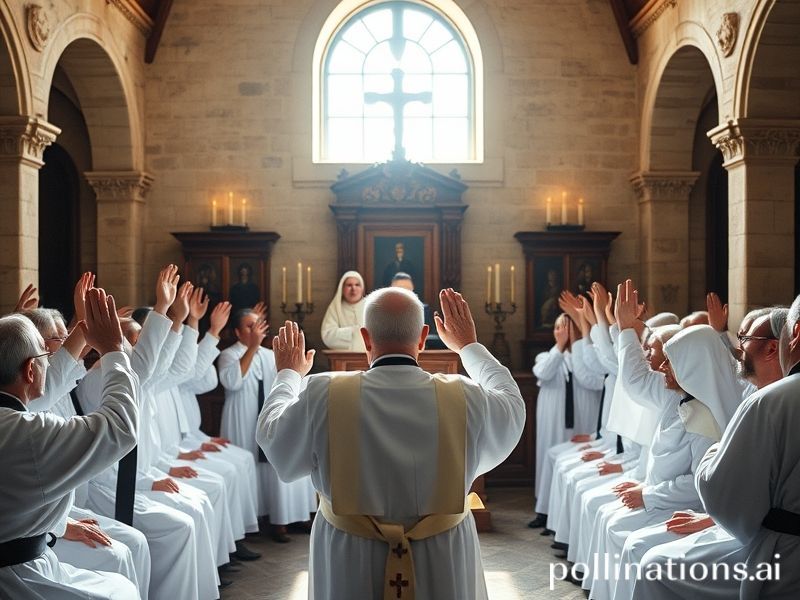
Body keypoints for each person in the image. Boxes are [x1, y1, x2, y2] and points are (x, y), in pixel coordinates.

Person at [257, 287, 525, 600]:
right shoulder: (465, 396)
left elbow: (273, 440)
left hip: (350, 554)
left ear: (365, 338)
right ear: (423, 337)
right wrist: (469, 346)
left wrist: (288, 374)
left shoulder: (322, 393)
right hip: (442, 551)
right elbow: (512, 405)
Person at [0, 288, 140, 599]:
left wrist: (60, 525)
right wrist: (114, 350)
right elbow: (119, 428)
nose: (53, 363)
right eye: (46, 356)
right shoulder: (28, 431)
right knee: (121, 591)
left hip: (25, 552)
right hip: (16, 577)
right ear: (30, 370)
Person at [693, 295, 800, 598]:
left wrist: (714, 451)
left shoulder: (773, 401)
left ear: (796, 335)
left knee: (654, 567)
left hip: (787, 557)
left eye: (744, 338)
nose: (738, 348)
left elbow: (723, 493)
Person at [218, 308, 316, 543]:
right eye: (249, 326)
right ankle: (260, 519)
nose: (255, 330)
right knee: (251, 467)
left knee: (275, 463)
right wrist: (251, 347)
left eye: (257, 325)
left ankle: (288, 517)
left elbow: (285, 379)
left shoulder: (269, 354)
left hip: (264, 412)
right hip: (241, 416)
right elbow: (232, 382)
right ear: (237, 331)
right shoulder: (229, 354)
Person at [390, 272, 445, 349]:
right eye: (402, 291)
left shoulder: (424, 310)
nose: (407, 294)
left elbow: (435, 338)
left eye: (409, 291)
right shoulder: (383, 311)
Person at [321, 271, 367, 352]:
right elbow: (327, 335)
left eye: (357, 285)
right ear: (342, 288)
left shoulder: (370, 306)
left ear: (362, 288)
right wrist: (353, 332)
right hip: (342, 358)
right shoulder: (335, 307)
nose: (353, 289)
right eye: (349, 285)